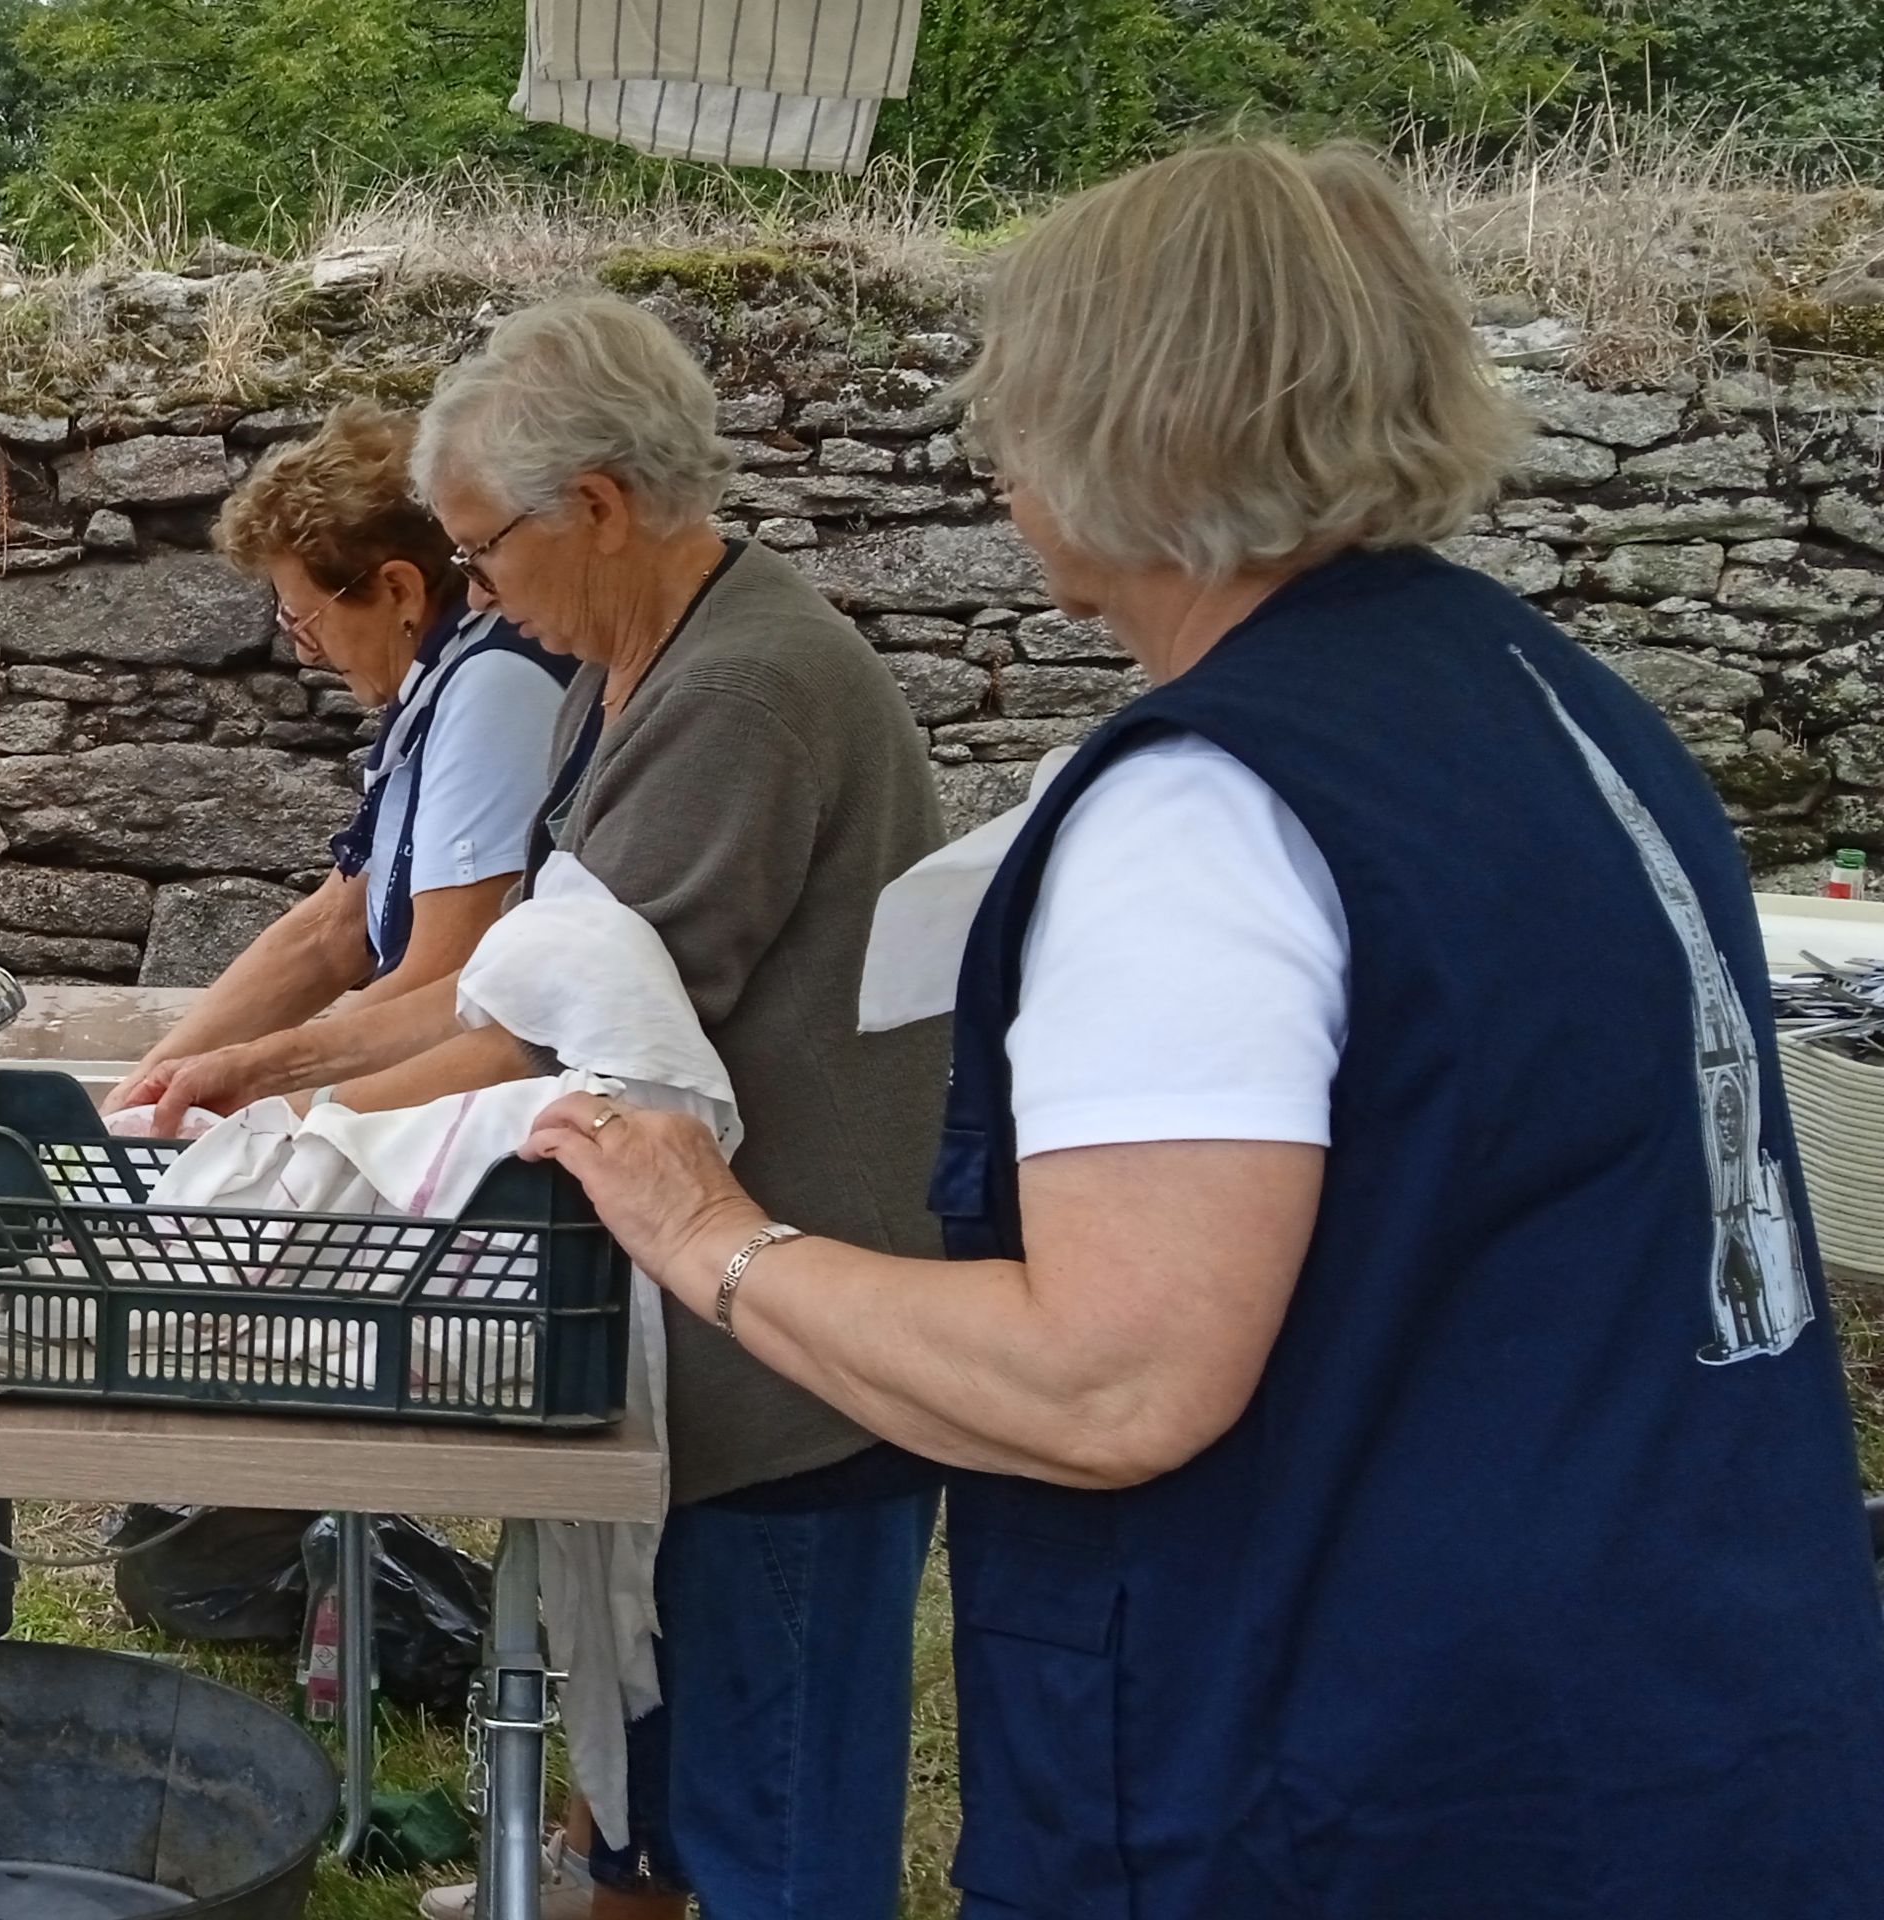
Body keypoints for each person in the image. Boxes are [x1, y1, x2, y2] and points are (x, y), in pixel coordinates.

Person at [526, 143, 1884, 1914]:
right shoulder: (1557, 705)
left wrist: (710, 1234)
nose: (994, 457)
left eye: (1011, 405)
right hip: (1674, 1712)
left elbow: (1112, 1381)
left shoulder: (1213, 813)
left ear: (1112, 422)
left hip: (1363, 1781)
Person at [130, 296, 949, 1920]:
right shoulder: (627, 673)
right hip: (703, 1333)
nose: (476, 594)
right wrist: (267, 1068)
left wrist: (297, 1130)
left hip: (795, 1371)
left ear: (597, 505)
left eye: (485, 553)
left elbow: (532, 1038)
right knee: (667, 1778)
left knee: (780, 1835)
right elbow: (508, 981)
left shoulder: (743, 694)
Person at [105, 400, 566, 1111]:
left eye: (305, 617)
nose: (300, 648)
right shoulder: (443, 678)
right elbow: (333, 930)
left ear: (399, 590)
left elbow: (445, 978)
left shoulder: (495, 691)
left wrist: (257, 1100)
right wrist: (145, 1090)